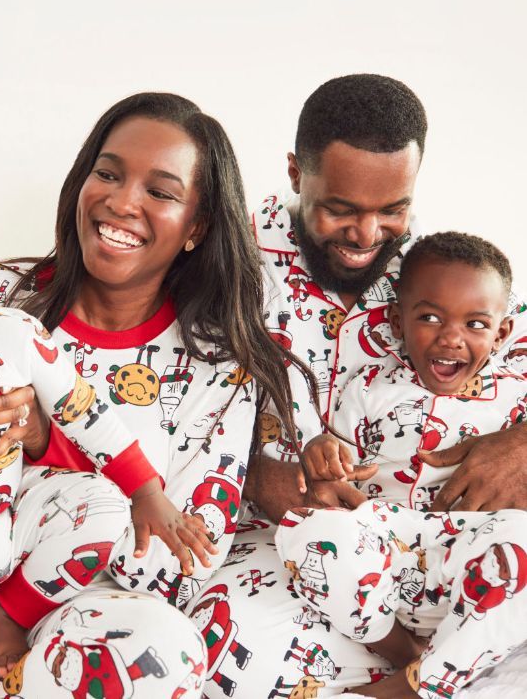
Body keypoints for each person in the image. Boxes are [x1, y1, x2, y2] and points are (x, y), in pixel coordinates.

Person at [0, 92, 309, 698]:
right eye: (107, 173)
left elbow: (174, 564)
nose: (122, 200)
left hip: (55, 616)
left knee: (161, 646)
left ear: (197, 227)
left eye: (160, 192)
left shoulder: (218, 369)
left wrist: (44, 440)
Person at [185, 74, 527, 697]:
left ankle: (424, 674)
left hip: (436, 555)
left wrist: (524, 443)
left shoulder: (443, 272)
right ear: (296, 172)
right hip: (292, 548)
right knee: (227, 654)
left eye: (392, 209)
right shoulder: (225, 259)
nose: (368, 236)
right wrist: (252, 473)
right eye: (341, 209)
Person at [277, 231, 527, 698]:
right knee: (306, 530)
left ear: (502, 332)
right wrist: (325, 461)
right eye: (430, 317)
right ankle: (404, 654)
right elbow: (338, 464)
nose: (451, 338)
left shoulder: (515, 392)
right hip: (387, 553)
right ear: (396, 320)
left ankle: (415, 687)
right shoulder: (370, 387)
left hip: (466, 560)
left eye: (475, 324)